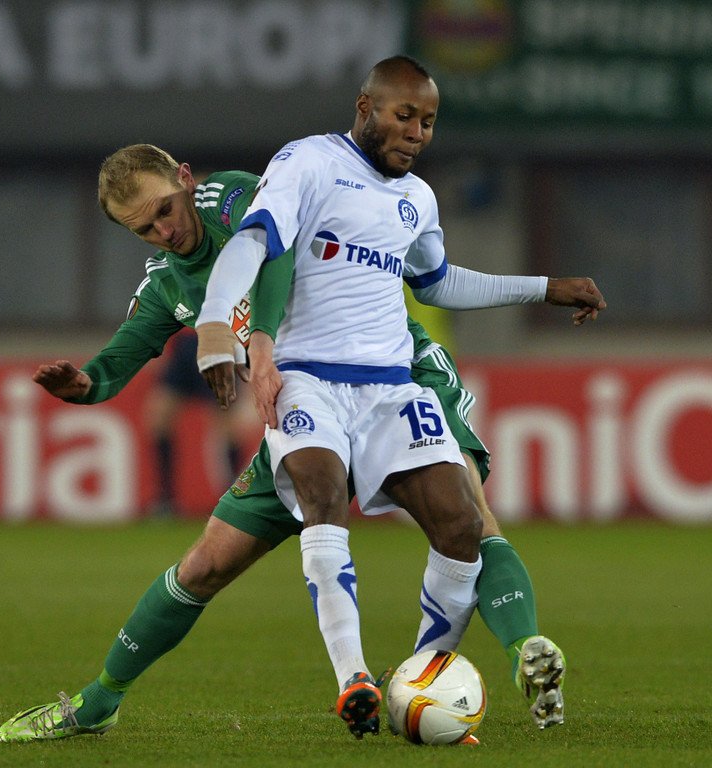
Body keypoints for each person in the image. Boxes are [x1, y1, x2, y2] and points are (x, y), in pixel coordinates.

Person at [0, 141, 603, 743]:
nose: (164, 231)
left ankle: (523, 650)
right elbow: (117, 362)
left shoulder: (235, 198)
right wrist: (85, 384)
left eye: (164, 210)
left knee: (468, 517)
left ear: (185, 178)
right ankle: (100, 701)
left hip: (396, 371)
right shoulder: (168, 284)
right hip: (304, 395)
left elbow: (277, 251)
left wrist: (256, 341)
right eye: (144, 229)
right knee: (205, 564)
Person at [195, 55, 605, 738]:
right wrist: (215, 320)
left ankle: (419, 678)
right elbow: (254, 240)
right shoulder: (308, 161)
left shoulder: (417, 197)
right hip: (308, 378)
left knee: (461, 522)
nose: (417, 132)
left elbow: (436, 282)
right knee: (323, 494)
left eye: (429, 121)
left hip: (390, 386)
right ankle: (353, 677)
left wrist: (543, 288)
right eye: (404, 115)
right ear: (365, 107)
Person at [144, 327, 259, 518]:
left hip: (218, 341)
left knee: (226, 423)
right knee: (159, 417)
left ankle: (233, 498)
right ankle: (165, 499)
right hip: (184, 345)